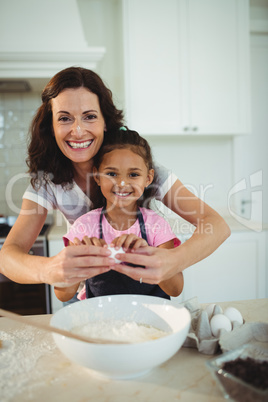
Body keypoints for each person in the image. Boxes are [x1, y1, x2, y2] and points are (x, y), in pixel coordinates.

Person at [0, 67, 230, 291]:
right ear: (51, 127)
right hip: (88, 292)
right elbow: (8, 256)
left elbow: (217, 225)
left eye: (89, 116)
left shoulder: (141, 169)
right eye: (65, 119)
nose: (78, 131)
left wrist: (173, 261)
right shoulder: (48, 181)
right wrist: (49, 268)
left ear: (105, 122)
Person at [56, 128, 184, 302]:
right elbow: (62, 294)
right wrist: (79, 264)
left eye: (133, 174)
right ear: (97, 177)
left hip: (152, 323)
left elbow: (175, 289)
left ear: (148, 178)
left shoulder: (156, 226)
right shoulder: (84, 227)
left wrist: (149, 256)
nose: (122, 183)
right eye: (111, 174)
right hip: (102, 323)